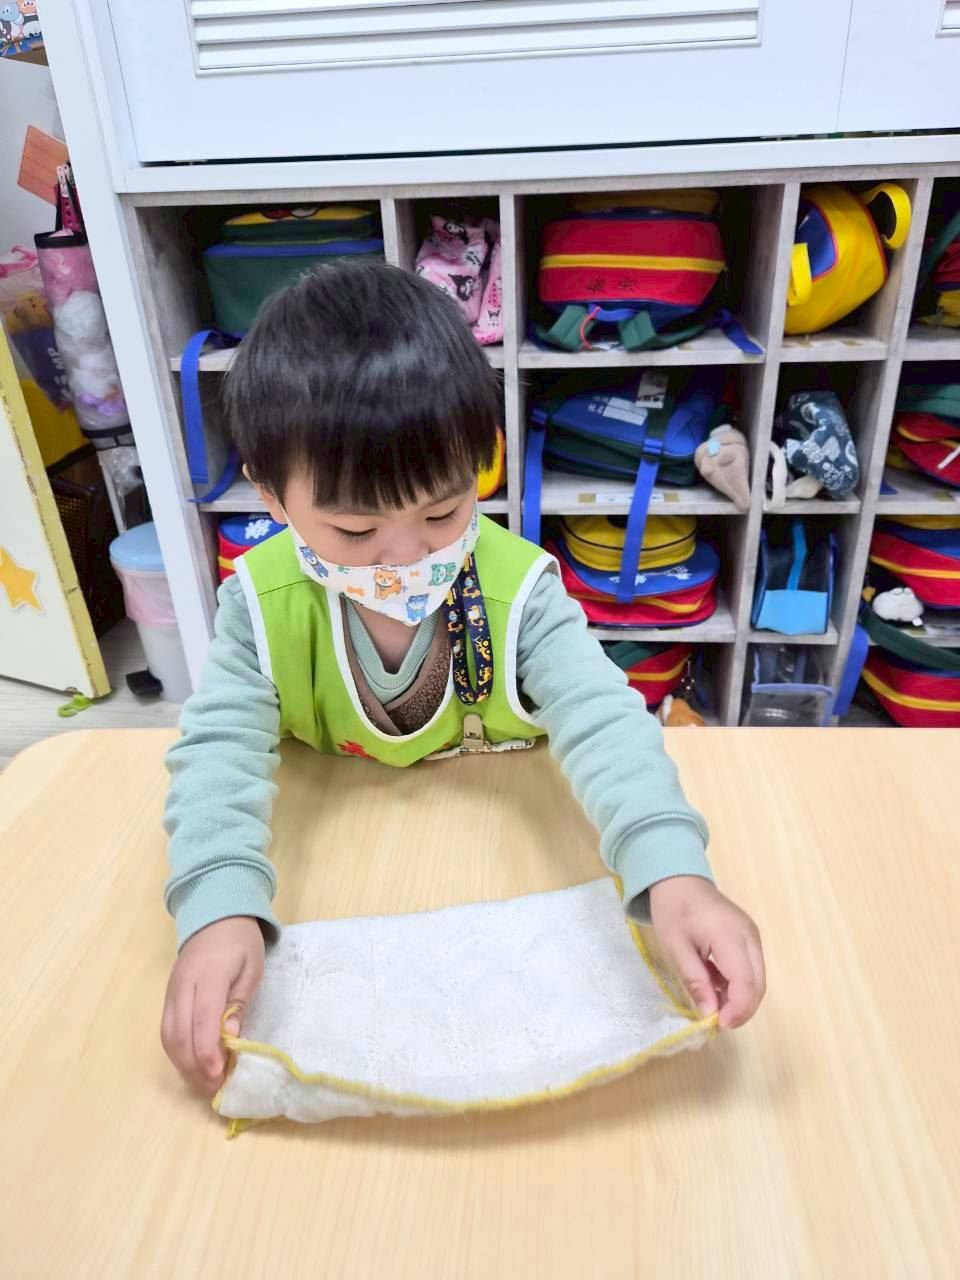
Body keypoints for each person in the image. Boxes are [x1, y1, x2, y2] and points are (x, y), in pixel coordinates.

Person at [161, 262, 765, 1092]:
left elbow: (603, 720)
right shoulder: (258, 608)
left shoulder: (520, 594)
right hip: (342, 873)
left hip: (510, 861)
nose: (407, 556)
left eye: (443, 511)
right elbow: (218, 756)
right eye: (355, 530)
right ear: (270, 496)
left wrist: (672, 870)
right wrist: (218, 905)